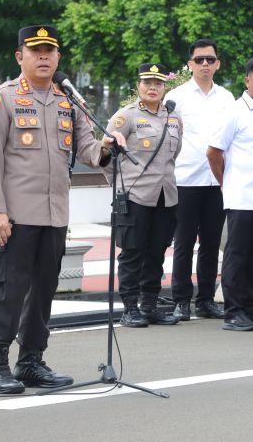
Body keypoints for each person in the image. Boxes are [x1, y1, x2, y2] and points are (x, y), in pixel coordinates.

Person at [0, 25, 124, 393]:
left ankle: (30, 361)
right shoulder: (4, 99)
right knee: (9, 291)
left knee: (44, 290)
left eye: (50, 51)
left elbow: (90, 152)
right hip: (16, 216)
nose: (43, 57)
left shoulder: (68, 102)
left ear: (58, 57)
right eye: (35, 50)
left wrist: (107, 146)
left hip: (55, 214)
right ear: (20, 56)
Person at [104, 63, 182, 328]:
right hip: (135, 195)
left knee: (157, 251)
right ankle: (129, 308)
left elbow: (174, 153)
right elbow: (107, 157)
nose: (152, 88)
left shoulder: (174, 117)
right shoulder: (125, 117)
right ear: (138, 85)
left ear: (164, 87)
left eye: (158, 83)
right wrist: (120, 187)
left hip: (165, 196)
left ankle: (149, 304)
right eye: (147, 82)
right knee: (132, 252)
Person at [166, 39, 234, 321]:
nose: (205, 64)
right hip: (186, 178)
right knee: (183, 243)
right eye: (199, 59)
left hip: (217, 180)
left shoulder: (227, 98)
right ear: (190, 64)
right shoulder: (177, 97)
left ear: (217, 63)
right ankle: (181, 299)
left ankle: (206, 299)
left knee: (211, 243)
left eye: (210, 59)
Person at [207, 57, 253, 331]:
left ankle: (250, 305)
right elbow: (214, 152)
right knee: (238, 254)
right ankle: (233, 310)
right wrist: (227, 182)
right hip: (242, 195)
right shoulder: (234, 111)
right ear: (247, 80)